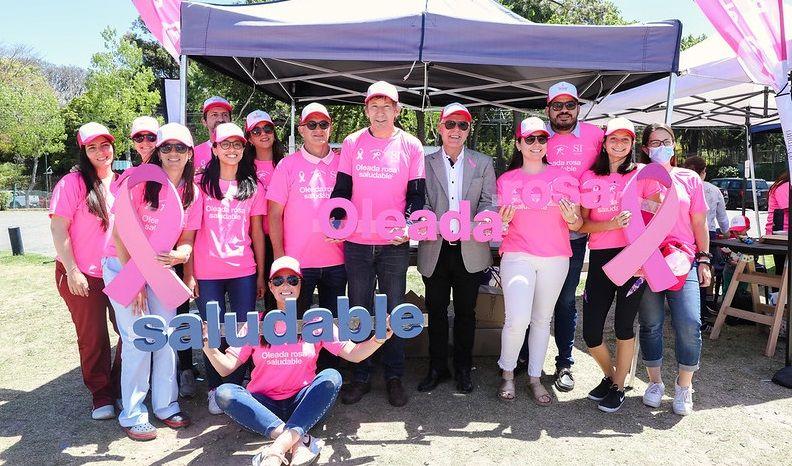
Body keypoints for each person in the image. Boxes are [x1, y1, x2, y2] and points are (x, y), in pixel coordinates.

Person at [204, 256, 393, 466]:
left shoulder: (316, 321)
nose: (286, 285)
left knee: (331, 376)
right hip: (263, 405)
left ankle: (276, 450)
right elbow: (226, 368)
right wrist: (207, 346)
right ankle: (298, 439)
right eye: (278, 280)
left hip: (303, 403)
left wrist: (379, 339)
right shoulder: (256, 323)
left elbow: (353, 354)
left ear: (301, 285)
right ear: (270, 286)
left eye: (292, 280)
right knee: (225, 392)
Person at [330, 81, 425, 407]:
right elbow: (341, 192)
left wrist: (409, 226)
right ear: (366, 109)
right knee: (359, 308)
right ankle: (360, 375)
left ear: (397, 110)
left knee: (394, 310)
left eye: (387, 107)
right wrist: (336, 223)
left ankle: (394, 376)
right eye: (374, 106)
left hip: (393, 244)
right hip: (357, 243)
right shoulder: (352, 142)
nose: (380, 112)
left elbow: (416, 195)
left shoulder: (411, 145)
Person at [102, 123, 197, 440]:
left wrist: (181, 255)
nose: (173, 153)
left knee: (166, 337)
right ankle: (132, 413)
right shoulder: (140, 181)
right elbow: (120, 235)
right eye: (167, 147)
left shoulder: (192, 191)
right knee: (139, 339)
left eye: (180, 148)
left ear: (190, 153)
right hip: (124, 267)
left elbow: (187, 239)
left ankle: (166, 406)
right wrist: (136, 281)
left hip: (159, 271)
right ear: (158, 152)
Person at [515, 81, 604, 392]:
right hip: (536, 235)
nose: (564, 111)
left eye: (570, 105)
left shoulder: (596, 135)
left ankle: (564, 363)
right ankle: (525, 356)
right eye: (557, 105)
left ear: (578, 107)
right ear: (548, 108)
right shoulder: (536, 135)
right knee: (531, 300)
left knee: (565, 301)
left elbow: (608, 171)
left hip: (574, 236)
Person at [496, 117, 583, 405]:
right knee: (517, 319)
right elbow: (497, 228)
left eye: (542, 139)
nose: (536, 144)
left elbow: (577, 223)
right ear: (519, 144)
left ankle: (535, 377)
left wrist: (572, 218)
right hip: (517, 255)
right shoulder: (506, 180)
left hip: (555, 258)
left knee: (542, 320)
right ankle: (507, 373)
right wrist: (502, 221)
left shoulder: (565, 179)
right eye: (530, 139)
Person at [416, 102, 496, 394]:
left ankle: (463, 368)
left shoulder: (482, 162)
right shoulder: (424, 162)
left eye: (462, 125)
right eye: (450, 124)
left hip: (470, 249)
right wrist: (431, 221)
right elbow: (420, 202)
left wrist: (474, 223)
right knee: (436, 310)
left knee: (466, 312)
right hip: (434, 248)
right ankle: (437, 367)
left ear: (468, 130)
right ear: (440, 128)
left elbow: (489, 202)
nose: (456, 130)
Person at [192, 122, 268, 414]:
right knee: (212, 330)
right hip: (207, 271)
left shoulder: (252, 186)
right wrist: (189, 274)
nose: (232, 149)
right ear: (214, 149)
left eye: (237, 144)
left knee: (242, 330)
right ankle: (215, 388)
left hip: (243, 270)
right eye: (225, 144)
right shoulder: (200, 184)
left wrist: (260, 273)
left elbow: (257, 233)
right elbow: (189, 232)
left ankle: (235, 387)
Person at [637, 123, 711, 416]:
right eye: (655, 142)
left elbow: (699, 222)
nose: (661, 146)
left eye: (666, 141)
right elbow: (631, 219)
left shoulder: (689, 178)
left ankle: (684, 385)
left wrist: (704, 259)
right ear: (646, 149)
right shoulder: (638, 177)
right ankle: (655, 382)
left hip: (684, 259)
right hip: (648, 260)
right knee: (651, 323)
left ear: (674, 145)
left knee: (690, 322)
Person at [50, 122, 122, 421]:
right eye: (92, 147)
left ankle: (119, 385)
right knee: (93, 337)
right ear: (83, 151)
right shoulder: (72, 183)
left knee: (130, 331)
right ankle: (101, 394)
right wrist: (72, 270)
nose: (100, 152)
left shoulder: (123, 182)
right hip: (82, 274)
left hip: (118, 273)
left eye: (105, 145)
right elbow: (58, 228)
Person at [267, 103, 346, 371]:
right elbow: (274, 214)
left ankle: (330, 376)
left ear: (330, 128)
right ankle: (298, 376)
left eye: (323, 124)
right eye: (311, 124)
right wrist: (279, 257)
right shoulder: (287, 165)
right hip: (297, 265)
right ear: (301, 129)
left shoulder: (343, 163)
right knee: (297, 325)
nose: (318, 130)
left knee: (333, 325)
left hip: (337, 261)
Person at [578, 117, 646, 412]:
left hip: (633, 257)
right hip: (601, 257)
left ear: (632, 145)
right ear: (604, 143)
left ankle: (618, 387)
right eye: (614, 139)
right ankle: (611, 376)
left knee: (623, 326)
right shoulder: (589, 177)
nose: (619, 144)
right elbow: (582, 224)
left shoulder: (641, 174)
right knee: (591, 332)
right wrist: (611, 224)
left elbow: (658, 212)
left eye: (625, 140)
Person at [244, 109, 285, 311]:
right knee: (261, 293)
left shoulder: (285, 163)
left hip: (284, 237)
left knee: (283, 293)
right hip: (255, 239)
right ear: (249, 138)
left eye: (268, 128)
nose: (263, 134)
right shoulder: (243, 167)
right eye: (256, 131)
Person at [682, 155, 729, 324]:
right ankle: (702, 308)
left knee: (687, 273)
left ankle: (694, 310)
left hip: (686, 234)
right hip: (707, 233)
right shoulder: (713, 190)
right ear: (704, 172)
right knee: (705, 272)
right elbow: (722, 217)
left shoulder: (680, 186)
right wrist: (727, 233)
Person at [193, 96, 233, 171]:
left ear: (230, 120)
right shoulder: (194, 153)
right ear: (204, 122)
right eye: (214, 115)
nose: (220, 119)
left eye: (225, 115)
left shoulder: (238, 152)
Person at [766, 171, 789, 275]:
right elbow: (788, 208)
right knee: (782, 270)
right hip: (781, 234)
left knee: (782, 270)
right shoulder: (784, 186)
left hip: (782, 233)